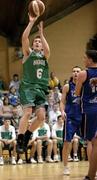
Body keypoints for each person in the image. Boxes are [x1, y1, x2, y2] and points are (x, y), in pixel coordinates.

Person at [16, 13, 50, 154]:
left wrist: (42, 34)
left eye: (39, 42)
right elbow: (24, 39)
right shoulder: (28, 53)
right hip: (28, 88)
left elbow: (48, 50)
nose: (36, 43)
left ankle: (28, 134)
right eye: (35, 41)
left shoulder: (44, 56)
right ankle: (20, 138)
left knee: (41, 117)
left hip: (41, 89)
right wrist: (31, 22)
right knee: (28, 112)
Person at [75, 50, 97, 180]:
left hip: (90, 110)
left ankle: (90, 175)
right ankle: (91, 175)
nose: (83, 60)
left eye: (85, 58)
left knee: (93, 142)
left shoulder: (84, 73)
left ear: (90, 60)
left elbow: (77, 92)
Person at [60, 66, 82, 175]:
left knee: (92, 142)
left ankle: (94, 168)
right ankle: (65, 167)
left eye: (78, 71)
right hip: (70, 118)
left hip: (83, 117)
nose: (76, 73)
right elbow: (62, 101)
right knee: (66, 142)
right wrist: (62, 111)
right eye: (74, 71)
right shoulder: (67, 86)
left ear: (81, 73)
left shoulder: (85, 86)